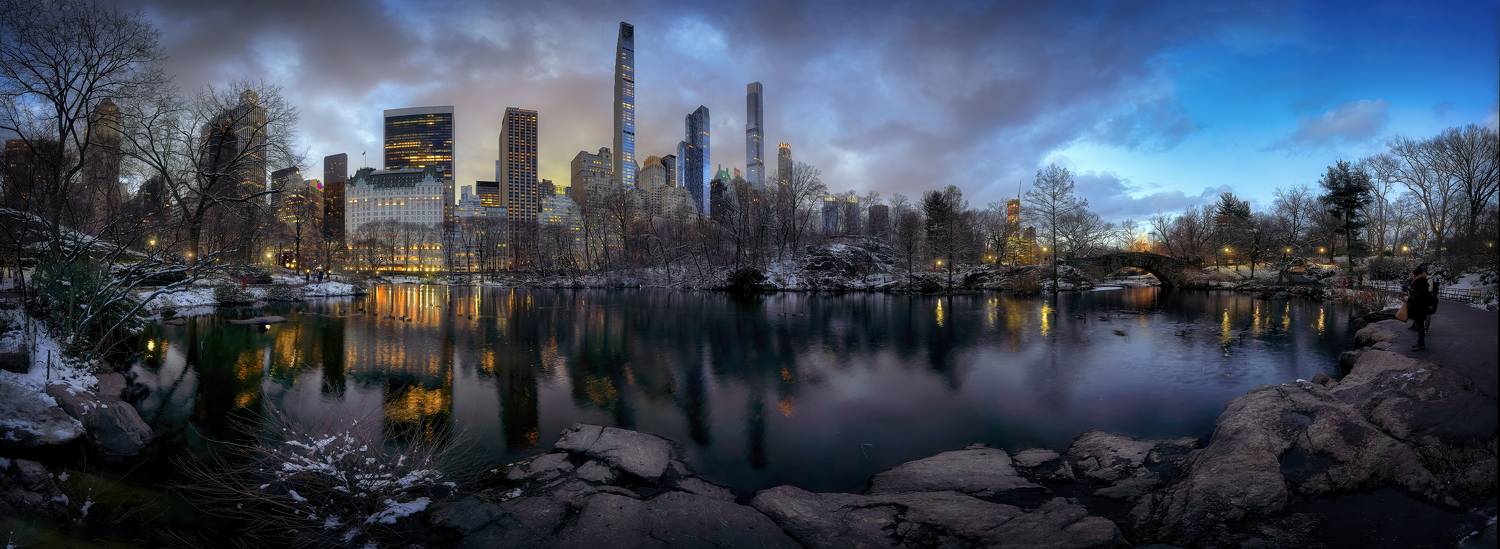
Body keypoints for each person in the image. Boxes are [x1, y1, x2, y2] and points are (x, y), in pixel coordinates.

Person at [1406, 266, 1434, 351]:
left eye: (1413, 275)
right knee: (1419, 327)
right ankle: (1420, 343)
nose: (1412, 276)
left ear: (1417, 275)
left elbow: (1418, 297)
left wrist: (1408, 299)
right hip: (1419, 308)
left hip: (1420, 309)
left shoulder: (1420, 284)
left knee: (1420, 327)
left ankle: (1421, 345)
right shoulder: (1421, 283)